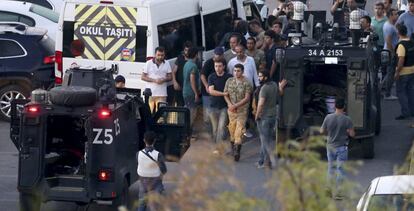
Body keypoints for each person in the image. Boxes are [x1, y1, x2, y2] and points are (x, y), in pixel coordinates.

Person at [319, 98, 355, 199]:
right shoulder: (347, 119)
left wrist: (328, 132)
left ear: (335, 106)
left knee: (331, 168)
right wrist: (348, 131)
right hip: (342, 147)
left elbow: (321, 131)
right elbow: (352, 134)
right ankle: (339, 193)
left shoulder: (328, 117)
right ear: (344, 107)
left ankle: (328, 190)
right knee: (341, 170)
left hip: (330, 146)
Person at [254, 69, 287, 169]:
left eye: (260, 76)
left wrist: (257, 115)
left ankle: (264, 162)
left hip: (264, 117)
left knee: (264, 141)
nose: (259, 78)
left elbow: (261, 103)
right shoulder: (273, 84)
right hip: (273, 116)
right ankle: (263, 161)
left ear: (265, 77)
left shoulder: (264, 88)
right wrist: (281, 87)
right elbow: (280, 94)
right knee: (267, 140)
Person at [224, 64, 253, 161]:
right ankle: (233, 149)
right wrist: (229, 104)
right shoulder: (229, 81)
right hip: (231, 111)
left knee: (239, 131)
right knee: (231, 130)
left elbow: (247, 98)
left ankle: (237, 152)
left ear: (243, 71)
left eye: (238, 71)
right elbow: (226, 94)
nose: (236, 73)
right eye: (235, 71)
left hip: (242, 111)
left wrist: (235, 105)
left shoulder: (247, 82)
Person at [137, 131, 167, 211]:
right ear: (154, 141)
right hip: (155, 182)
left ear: (144, 140)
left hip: (143, 181)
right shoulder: (158, 154)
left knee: (142, 203)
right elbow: (164, 170)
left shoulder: (138, 153)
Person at [208, 58, 233, 152]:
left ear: (224, 66)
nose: (217, 68)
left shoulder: (229, 77)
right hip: (213, 106)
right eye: (216, 66)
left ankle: (219, 147)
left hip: (224, 107)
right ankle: (217, 146)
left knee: (221, 128)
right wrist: (223, 94)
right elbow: (211, 91)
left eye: (219, 66)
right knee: (215, 129)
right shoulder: (211, 77)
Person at [200, 47, 227, 129]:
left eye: (219, 55)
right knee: (208, 114)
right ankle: (209, 130)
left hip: (218, 92)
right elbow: (202, 75)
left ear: (222, 55)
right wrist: (206, 86)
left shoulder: (223, 62)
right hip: (208, 91)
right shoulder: (208, 62)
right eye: (216, 55)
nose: (217, 57)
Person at [142, 47, 172, 113]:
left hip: (162, 93)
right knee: (149, 113)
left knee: (161, 114)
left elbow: (170, 77)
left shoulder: (167, 63)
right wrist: (154, 80)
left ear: (164, 55)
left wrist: (163, 79)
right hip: (150, 94)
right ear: (155, 55)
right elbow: (143, 77)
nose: (160, 57)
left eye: (162, 55)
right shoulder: (148, 63)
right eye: (158, 55)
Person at [394, 23, 414, 120]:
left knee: (401, 92)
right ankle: (412, 111)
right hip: (412, 70)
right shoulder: (411, 42)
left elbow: (401, 60)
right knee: (410, 91)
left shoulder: (401, 45)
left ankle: (405, 112)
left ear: (398, 33)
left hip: (404, 72)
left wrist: (397, 72)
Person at [383, 8, 400, 100]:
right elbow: (388, 41)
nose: (397, 16)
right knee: (390, 73)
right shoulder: (389, 26)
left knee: (389, 72)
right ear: (390, 16)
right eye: (395, 14)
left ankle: (383, 88)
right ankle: (387, 94)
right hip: (390, 52)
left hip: (389, 51)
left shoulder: (391, 25)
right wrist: (393, 53)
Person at [170, 41, 192, 106]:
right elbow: (174, 71)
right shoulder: (180, 58)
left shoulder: (194, 59)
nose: (187, 52)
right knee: (180, 106)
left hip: (189, 89)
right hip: (179, 87)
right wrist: (175, 82)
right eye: (186, 50)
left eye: (189, 50)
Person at [182, 47, 200, 126]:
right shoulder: (193, 66)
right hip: (190, 92)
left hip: (185, 91)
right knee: (192, 113)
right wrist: (196, 93)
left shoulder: (186, 64)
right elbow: (192, 80)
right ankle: (188, 132)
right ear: (196, 55)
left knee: (188, 112)